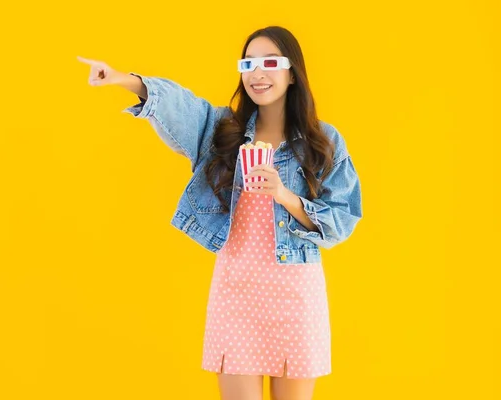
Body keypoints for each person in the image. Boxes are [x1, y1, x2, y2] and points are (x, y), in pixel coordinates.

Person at [78, 25, 362, 400]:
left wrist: (284, 195)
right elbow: (179, 106)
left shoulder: (322, 142)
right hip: (236, 294)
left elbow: (341, 218)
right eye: (248, 64)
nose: (257, 74)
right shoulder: (222, 131)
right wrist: (124, 80)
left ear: (292, 72)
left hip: (296, 295)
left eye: (270, 63)